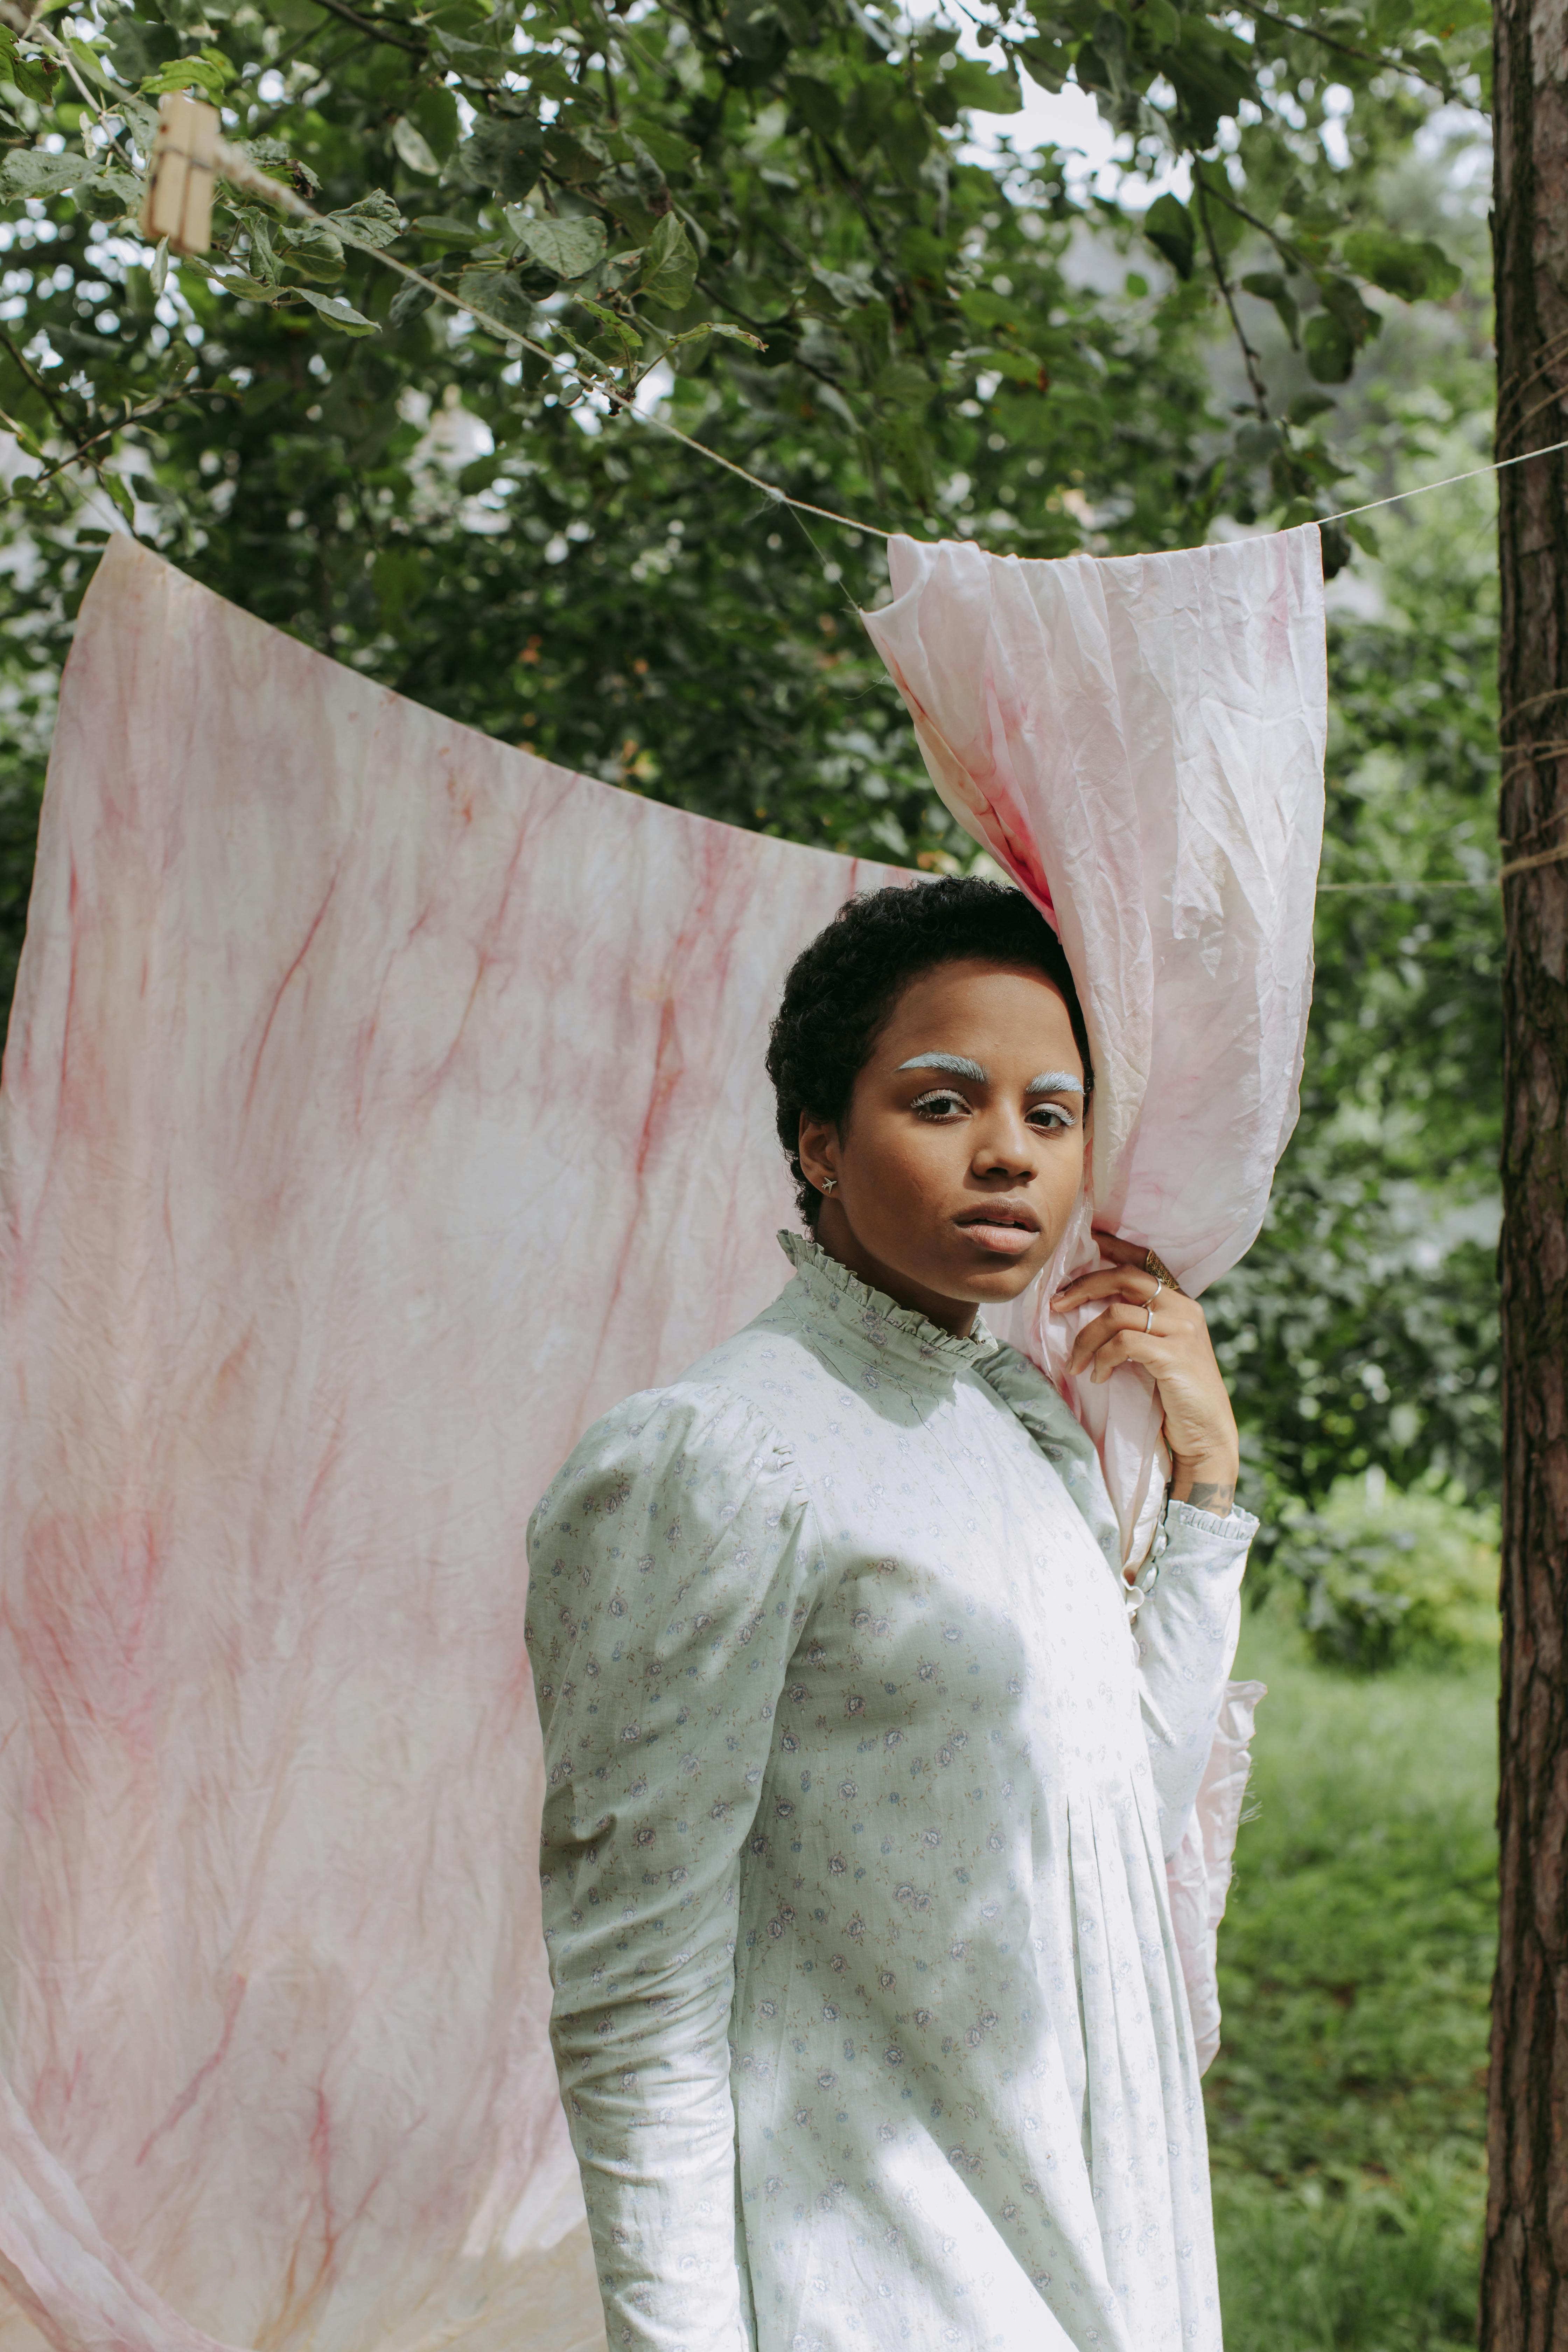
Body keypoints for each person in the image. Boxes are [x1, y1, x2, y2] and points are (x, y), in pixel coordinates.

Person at [524, 876, 1255, 2352]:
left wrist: (1206, 1495)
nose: (1008, 1156)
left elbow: (1120, 1809)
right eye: (940, 1103)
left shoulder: (1019, 1431)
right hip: (879, 2268)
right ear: (818, 1142)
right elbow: (635, 1998)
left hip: (1090, 2231)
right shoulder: (719, 1461)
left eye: (1052, 1118)